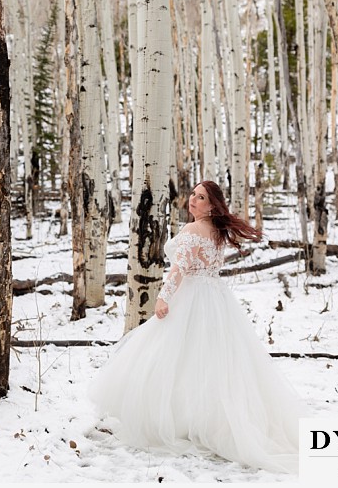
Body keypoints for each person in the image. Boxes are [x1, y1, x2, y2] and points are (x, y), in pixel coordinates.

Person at [89, 180, 307, 474]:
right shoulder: (218, 232)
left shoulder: (192, 231)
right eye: (193, 194)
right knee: (210, 361)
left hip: (191, 297)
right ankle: (202, 417)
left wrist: (163, 299)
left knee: (177, 357)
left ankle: (181, 420)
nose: (193, 200)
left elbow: (178, 270)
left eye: (201, 197)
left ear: (212, 205)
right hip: (216, 299)